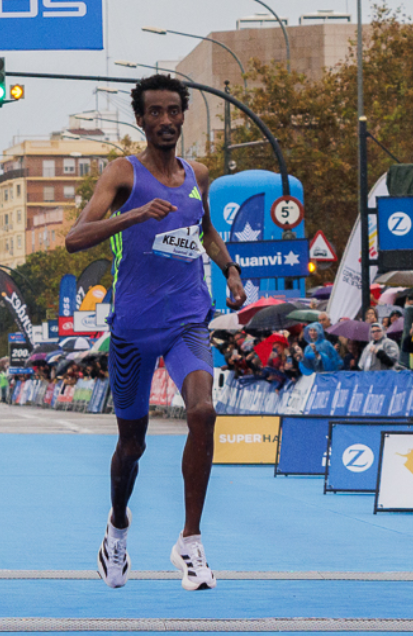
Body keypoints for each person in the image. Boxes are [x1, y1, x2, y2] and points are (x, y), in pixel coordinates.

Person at [63, 74, 247, 591]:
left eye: (174, 111)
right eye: (156, 113)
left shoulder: (198, 174)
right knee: (132, 447)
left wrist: (229, 269)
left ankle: (190, 543)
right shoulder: (123, 174)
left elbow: (203, 228)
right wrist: (136, 214)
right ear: (141, 119)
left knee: (203, 411)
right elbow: (76, 239)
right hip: (134, 329)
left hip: (188, 318)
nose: (166, 120)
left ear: (183, 116)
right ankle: (117, 527)